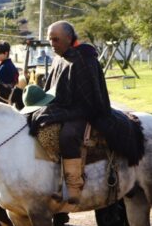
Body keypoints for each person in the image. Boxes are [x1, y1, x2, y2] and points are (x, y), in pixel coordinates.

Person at [27, 21, 112, 205]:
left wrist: (63, 112)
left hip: (85, 111)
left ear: (68, 37)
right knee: (38, 123)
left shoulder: (85, 59)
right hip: (63, 107)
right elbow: (52, 90)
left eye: (56, 39)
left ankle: (74, 186)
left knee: (67, 135)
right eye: (50, 39)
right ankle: (52, 182)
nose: (52, 44)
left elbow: (90, 100)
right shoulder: (61, 57)